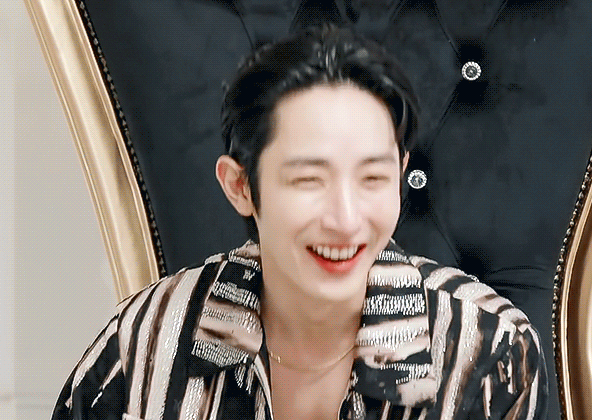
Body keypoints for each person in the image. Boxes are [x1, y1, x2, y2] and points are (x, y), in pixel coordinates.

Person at [53, 24, 547, 420]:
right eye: (309, 180)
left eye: (373, 178)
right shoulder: (143, 341)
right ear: (240, 186)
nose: (346, 220)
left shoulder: (490, 351)